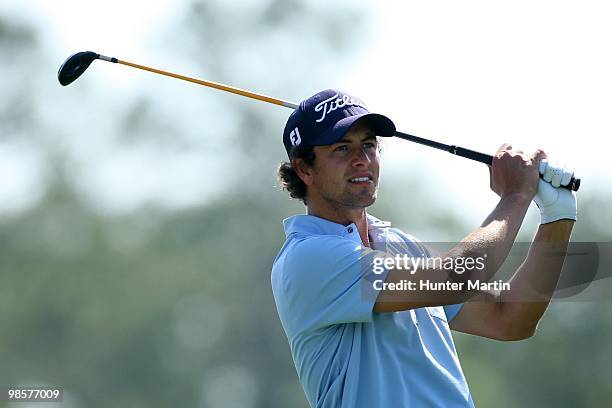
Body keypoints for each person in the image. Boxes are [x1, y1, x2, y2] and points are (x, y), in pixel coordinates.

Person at [271, 89, 577, 407]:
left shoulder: (400, 246)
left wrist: (557, 217)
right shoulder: (308, 257)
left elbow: (510, 318)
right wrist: (515, 196)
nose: (362, 160)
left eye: (369, 145)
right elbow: (455, 279)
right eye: (342, 148)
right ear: (305, 169)